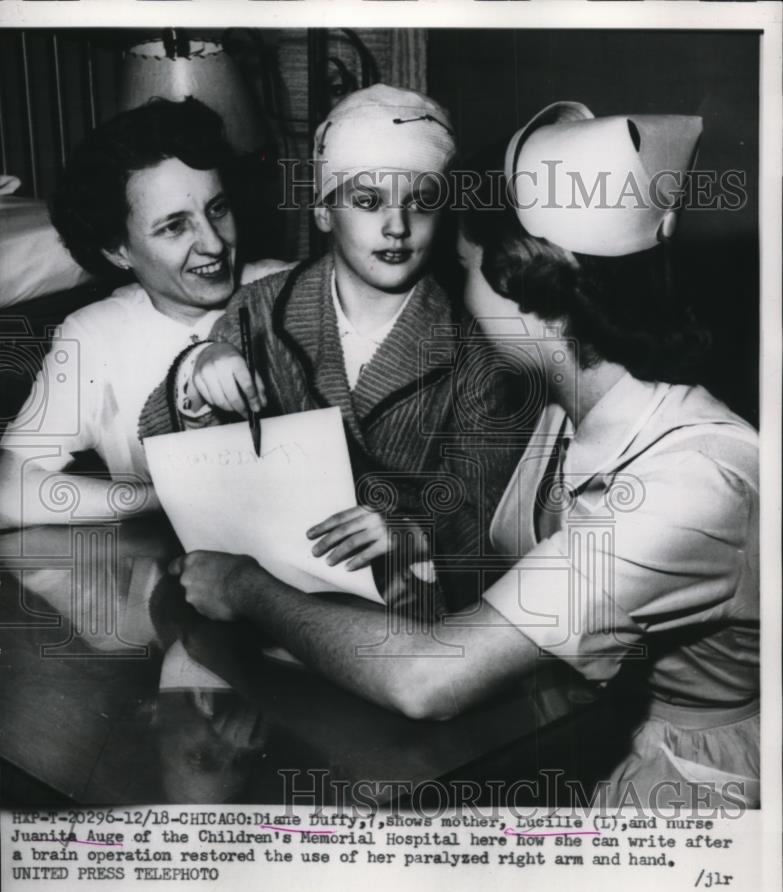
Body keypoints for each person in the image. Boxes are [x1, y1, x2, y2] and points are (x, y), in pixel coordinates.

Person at [169, 101, 760, 810]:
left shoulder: (690, 482)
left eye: (466, 268)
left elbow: (428, 679)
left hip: (698, 778)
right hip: (584, 719)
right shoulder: (563, 406)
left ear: (524, 288)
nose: (455, 288)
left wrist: (242, 588)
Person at [139, 84, 524, 612]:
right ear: (323, 210)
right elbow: (162, 443)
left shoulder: (473, 347)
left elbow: (488, 509)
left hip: (408, 604)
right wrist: (197, 375)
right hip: (269, 588)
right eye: (368, 202)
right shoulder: (261, 310)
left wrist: (415, 531)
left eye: (421, 204)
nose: (397, 227)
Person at [0, 98, 288, 528]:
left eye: (217, 209)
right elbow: (8, 490)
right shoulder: (97, 335)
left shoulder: (292, 290)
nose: (213, 244)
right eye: (174, 226)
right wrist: (165, 499)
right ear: (118, 250)